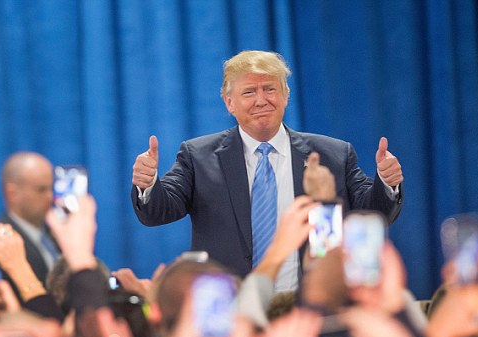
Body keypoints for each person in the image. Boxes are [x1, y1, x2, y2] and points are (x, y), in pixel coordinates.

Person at [131, 50, 404, 290]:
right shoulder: (198, 156)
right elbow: (159, 211)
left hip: (309, 308)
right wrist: (148, 184)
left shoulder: (333, 154)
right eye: (249, 92)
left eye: (270, 89)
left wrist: (386, 183)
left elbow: (372, 214)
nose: (261, 100)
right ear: (229, 103)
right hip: (231, 311)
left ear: (285, 96)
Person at [0, 152, 60, 299]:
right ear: (12, 193)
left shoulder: (57, 236)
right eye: (41, 190)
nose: (50, 197)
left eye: (50, 188)